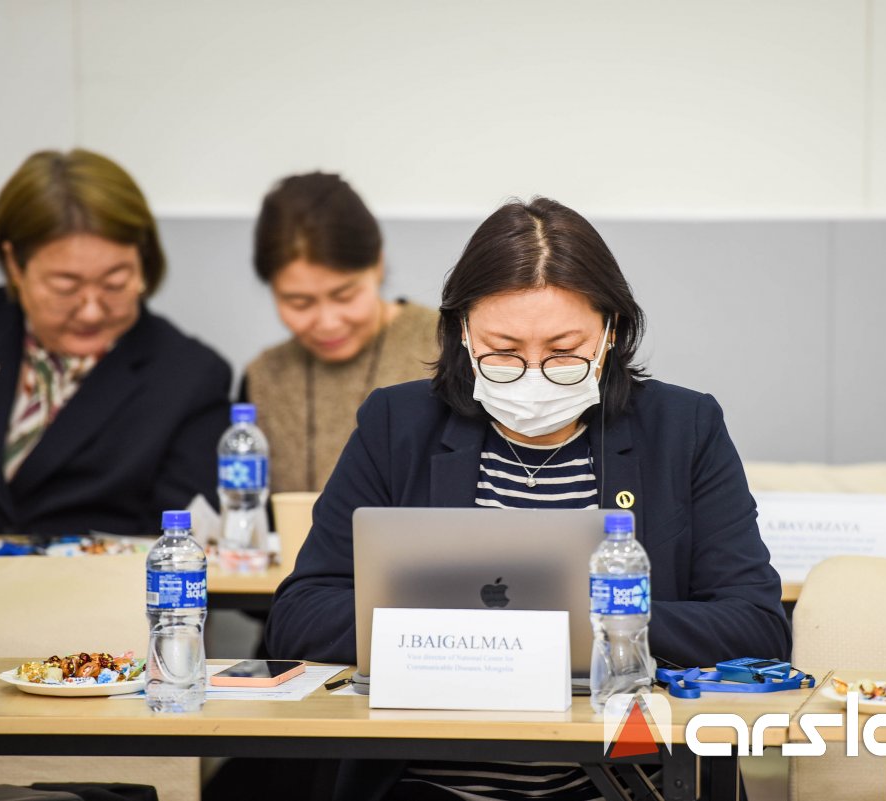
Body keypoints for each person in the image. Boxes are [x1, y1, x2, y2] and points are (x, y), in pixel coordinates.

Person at [265, 197, 790, 801]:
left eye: (564, 351)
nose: (534, 372)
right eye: (503, 351)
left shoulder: (682, 427)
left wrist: (594, 629)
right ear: (463, 334)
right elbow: (299, 618)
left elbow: (756, 627)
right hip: (432, 781)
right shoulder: (397, 424)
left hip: (626, 781)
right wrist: (470, 638)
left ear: (610, 334)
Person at [0, 148, 231, 536]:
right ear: (15, 265)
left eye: (115, 283)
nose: (91, 311)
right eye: (65, 286)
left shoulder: (189, 375)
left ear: (144, 263)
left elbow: (178, 539)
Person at [242, 172, 439, 492]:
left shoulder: (445, 346)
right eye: (299, 303)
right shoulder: (264, 377)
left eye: (344, 296)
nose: (328, 322)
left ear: (377, 265)